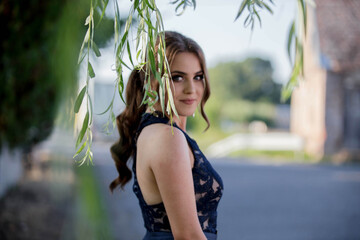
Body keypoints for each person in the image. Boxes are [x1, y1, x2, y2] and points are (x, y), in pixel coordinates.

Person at [109, 31, 224, 240]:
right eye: (177, 77)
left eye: (198, 77)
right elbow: (188, 235)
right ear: (152, 81)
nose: (192, 89)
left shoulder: (155, 130)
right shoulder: (167, 136)